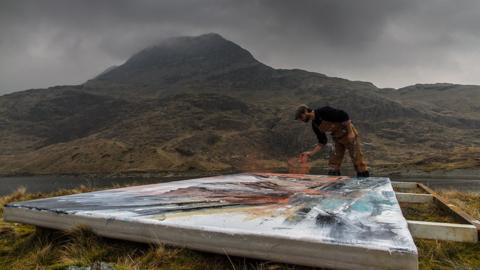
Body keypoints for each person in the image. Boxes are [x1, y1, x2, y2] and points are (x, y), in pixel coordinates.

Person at [294, 104, 370, 177]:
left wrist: (350, 132)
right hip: (337, 139)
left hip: (348, 134)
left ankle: (363, 180)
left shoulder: (324, 111)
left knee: (357, 159)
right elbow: (322, 142)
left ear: (305, 111)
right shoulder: (315, 125)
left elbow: (344, 115)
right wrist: (310, 153)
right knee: (334, 163)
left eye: (301, 117)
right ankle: (334, 184)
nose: (301, 120)